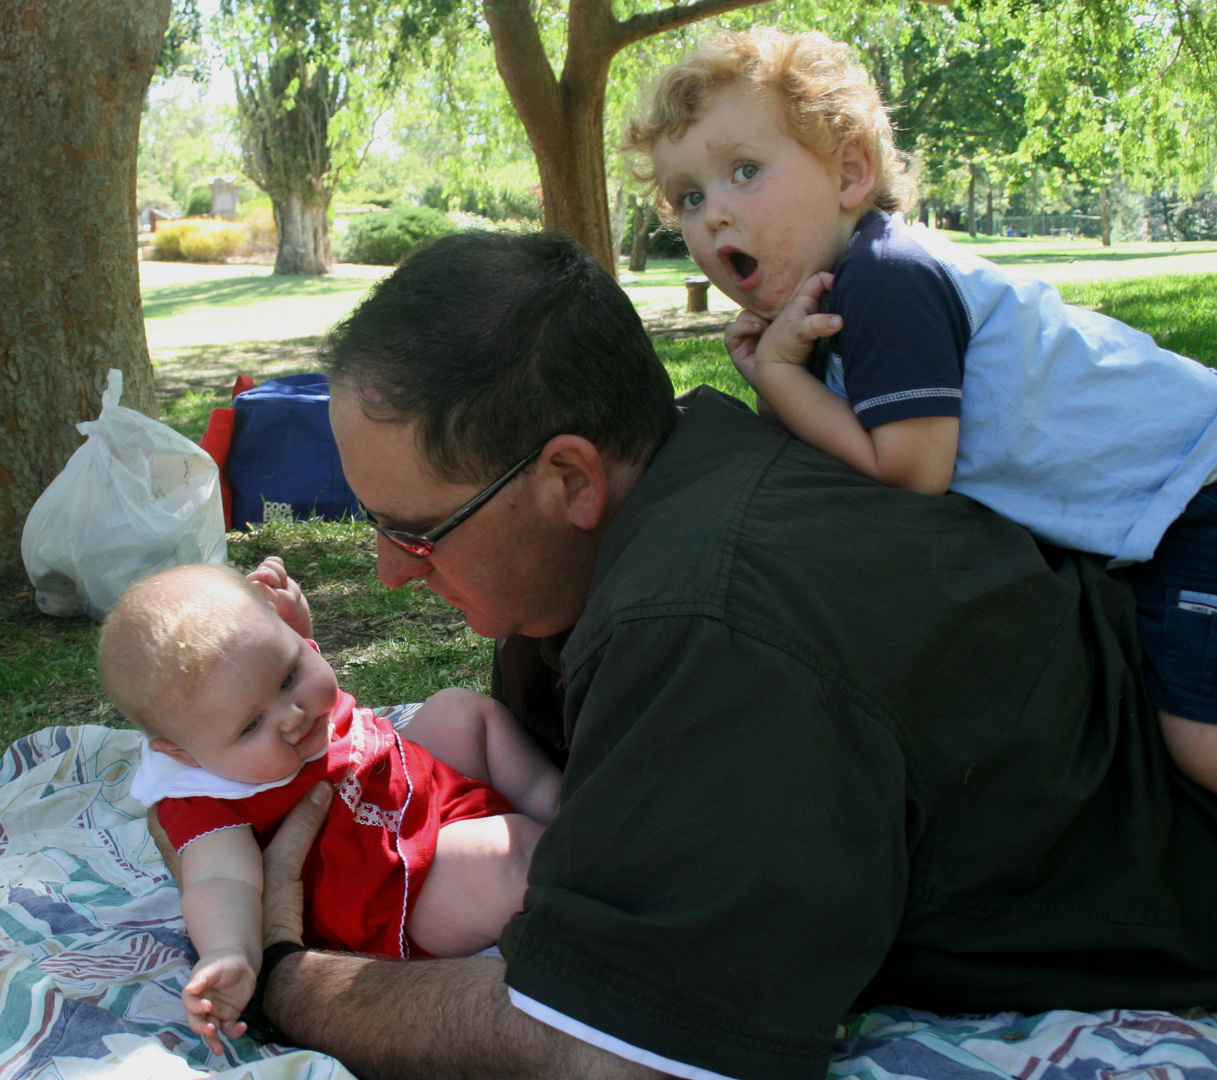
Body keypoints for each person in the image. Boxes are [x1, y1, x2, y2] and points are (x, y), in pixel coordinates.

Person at [148, 230, 1217, 1080]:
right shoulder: (671, 485)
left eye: (417, 529)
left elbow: (610, 1048)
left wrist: (286, 978)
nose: (386, 571)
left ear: (569, 479)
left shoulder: (697, 618)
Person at [623, 27, 1217, 791]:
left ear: (848, 172)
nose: (713, 217)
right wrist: (787, 376)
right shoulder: (845, 294)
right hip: (1166, 497)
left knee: (1196, 740)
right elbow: (832, 467)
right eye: (689, 197)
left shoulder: (886, 279)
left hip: (1193, 491)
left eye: (744, 170)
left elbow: (908, 474)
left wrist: (780, 380)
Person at [101, 559, 559, 1054]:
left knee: (459, 712)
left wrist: (295, 621)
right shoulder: (201, 795)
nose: (294, 716)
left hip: (417, 790)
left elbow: (276, 666)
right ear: (182, 753)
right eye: (251, 726)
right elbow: (220, 880)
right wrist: (229, 952)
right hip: (395, 891)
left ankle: (562, 804)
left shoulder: (259, 679)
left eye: (288, 677)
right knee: (509, 857)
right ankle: (587, 858)